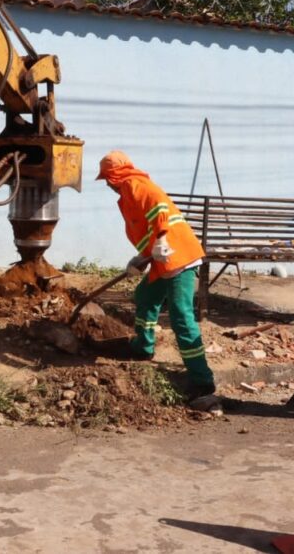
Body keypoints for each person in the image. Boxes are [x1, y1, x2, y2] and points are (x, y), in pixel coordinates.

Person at [96, 150, 216, 403]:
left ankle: (202, 380)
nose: (107, 184)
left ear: (115, 174)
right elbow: (146, 223)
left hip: (178, 256)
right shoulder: (128, 191)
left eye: (107, 178)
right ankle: (143, 347)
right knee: (146, 296)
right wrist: (143, 257)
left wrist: (161, 240)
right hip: (164, 258)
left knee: (181, 316)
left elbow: (159, 206)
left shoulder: (134, 184)